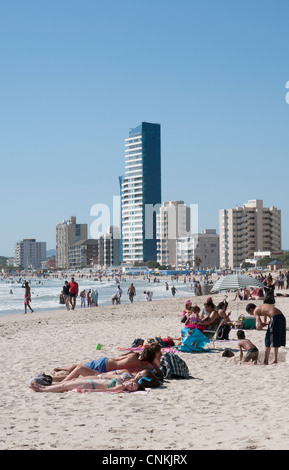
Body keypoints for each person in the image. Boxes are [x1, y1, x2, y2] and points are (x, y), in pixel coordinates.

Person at [51, 343, 163, 382]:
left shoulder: (135, 356)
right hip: (103, 365)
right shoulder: (141, 361)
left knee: (79, 371)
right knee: (79, 368)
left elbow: (118, 358)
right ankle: (61, 368)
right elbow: (159, 373)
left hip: (106, 367)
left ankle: (58, 375)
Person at [29, 369, 160, 393]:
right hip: (92, 382)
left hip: (90, 384)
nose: (131, 385)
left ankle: (41, 389)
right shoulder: (123, 383)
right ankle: (42, 388)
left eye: (132, 387)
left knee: (64, 385)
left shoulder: (120, 387)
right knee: (64, 385)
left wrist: (89, 391)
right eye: (133, 384)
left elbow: (107, 390)